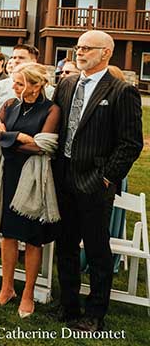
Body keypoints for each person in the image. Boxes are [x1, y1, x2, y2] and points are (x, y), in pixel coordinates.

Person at [52, 30, 143, 331]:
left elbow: (131, 143)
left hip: (94, 182)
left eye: (87, 48)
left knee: (96, 250)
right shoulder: (65, 84)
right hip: (63, 177)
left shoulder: (120, 91)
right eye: (78, 47)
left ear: (106, 53)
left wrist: (106, 178)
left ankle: (95, 314)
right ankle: (68, 305)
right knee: (64, 245)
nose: (80, 52)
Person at [0, 63, 62, 319]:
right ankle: (7, 288)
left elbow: (43, 147)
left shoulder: (51, 110)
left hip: (33, 179)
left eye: (20, 84)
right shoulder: (9, 105)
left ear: (37, 86)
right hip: (6, 174)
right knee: (9, 235)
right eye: (14, 82)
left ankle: (28, 293)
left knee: (33, 238)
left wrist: (9, 139)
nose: (14, 88)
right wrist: (22, 138)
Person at [0, 44, 53, 133]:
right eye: (14, 57)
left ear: (33, 61)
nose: (16, 61)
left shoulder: (48, 90)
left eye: (21, 58)